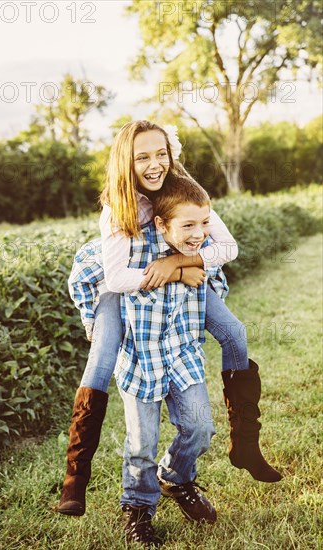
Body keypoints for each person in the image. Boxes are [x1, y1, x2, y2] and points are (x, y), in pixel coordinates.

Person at [57, 120, 281, 518]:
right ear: (127, 161)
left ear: (171, 154)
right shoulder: (118, 206)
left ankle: (242, 442)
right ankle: (81, 475)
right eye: (143, 156)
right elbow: (117, 277)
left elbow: (227, 247)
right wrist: (176, 270)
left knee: (233, 331)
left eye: (161, 153)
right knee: (104, 352)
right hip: (120, 280)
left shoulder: (181, 189)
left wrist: (179, 259)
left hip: (178, 274)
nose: (155, 164)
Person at [118, 176, 222, 546]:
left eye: (205, 222)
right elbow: (84, 275)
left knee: (200, 428)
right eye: (189, 225)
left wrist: (193, 267)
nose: (199, 233)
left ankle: (176, 478)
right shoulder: (131, 245)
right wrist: (89, 320)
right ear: (162, 224)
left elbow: (218, 281)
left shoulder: (205, 248)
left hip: (182, 354)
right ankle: (138, 508)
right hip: (140, 358)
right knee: (141, 443)